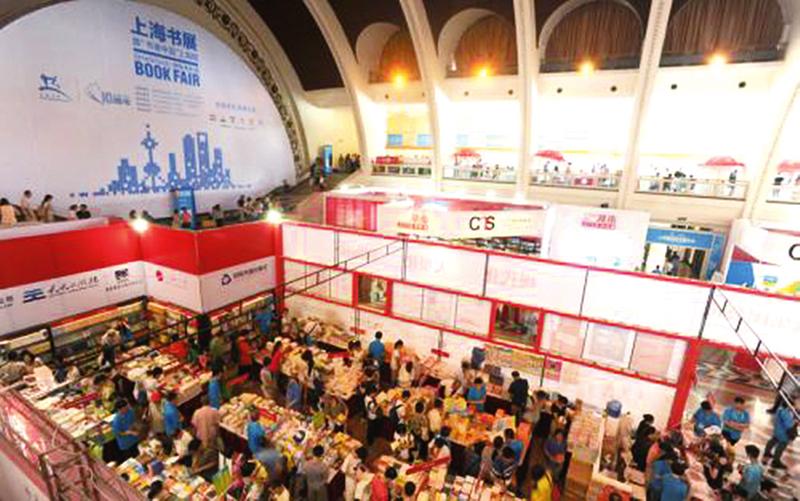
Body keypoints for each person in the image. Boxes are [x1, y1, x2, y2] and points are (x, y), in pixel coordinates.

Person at [763, 395, 798, 469]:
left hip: (777, 430)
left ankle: (767, 452)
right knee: (782, 446)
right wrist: (795, 424)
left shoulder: (780, 409)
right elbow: (789, 425)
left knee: (773, 440)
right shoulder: (786, 413)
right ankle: (776, 461)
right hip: (783, 433)